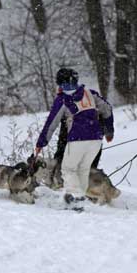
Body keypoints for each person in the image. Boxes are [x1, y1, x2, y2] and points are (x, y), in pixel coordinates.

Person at [35, 68, 114, 204]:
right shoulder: (91, 94)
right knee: (82, 169)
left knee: (68, 169)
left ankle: (75, 198)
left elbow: (51, 123)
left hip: (78, 138)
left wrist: (41, 143)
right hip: (96, 138)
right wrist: (109, 131)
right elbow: (107, 109)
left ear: (59, 83)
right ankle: (81, 199)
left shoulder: (63, 99)